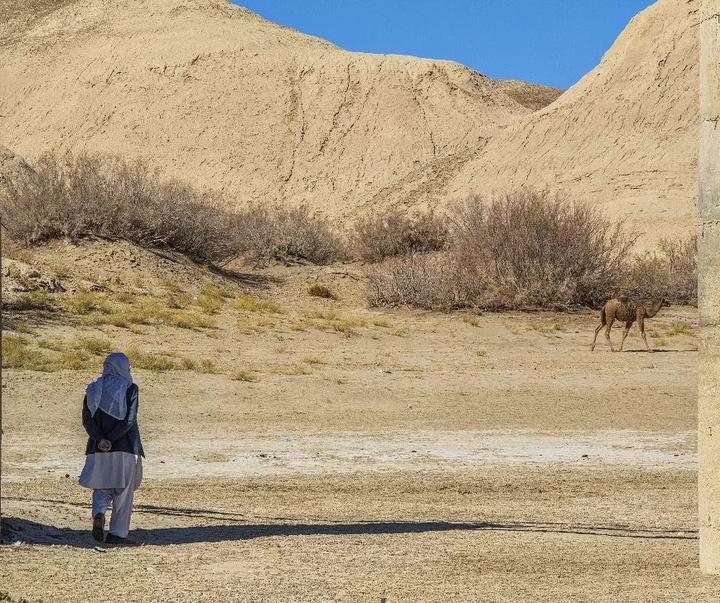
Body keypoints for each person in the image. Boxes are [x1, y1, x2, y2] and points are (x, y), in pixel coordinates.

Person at [79, 352, 144, 545]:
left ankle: (99, 514)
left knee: (102, 487)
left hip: (98, 449)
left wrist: (101, 440)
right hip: (124, 448)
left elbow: (86, 419)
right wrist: (112, 439)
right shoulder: (130, 389)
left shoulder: (92, 389)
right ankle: (117, 533)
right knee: (123, 492)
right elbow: (129, 420)